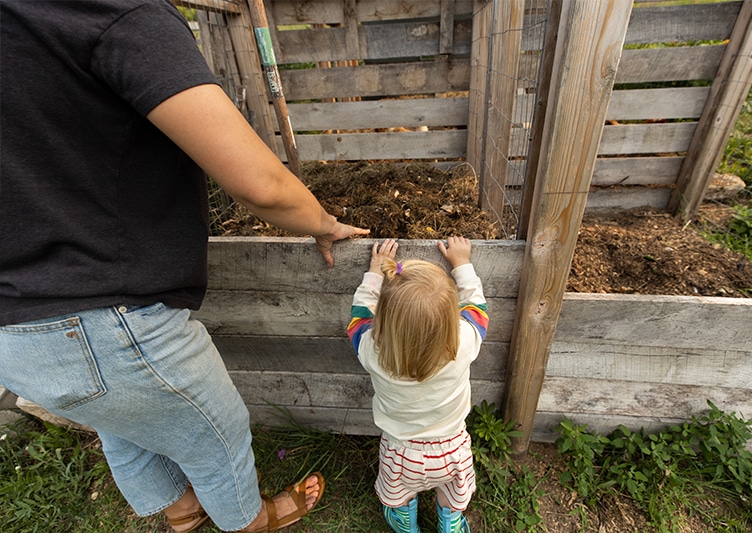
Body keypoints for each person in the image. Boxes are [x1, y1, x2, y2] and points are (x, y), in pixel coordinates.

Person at [0, 1, 369, 531]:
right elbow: (260, 184)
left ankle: (180, 513)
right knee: (218, 431)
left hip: (13, 329)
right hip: (109, 320)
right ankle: (250, 520)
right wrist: (322, 223)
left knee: (122, 424)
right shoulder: (120, 15)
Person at [347, 237, 489, 533]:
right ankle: (449, 523)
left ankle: (405, 522)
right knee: (452, 495)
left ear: (384, 320)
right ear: (451, 318)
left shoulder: (373, 350)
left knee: (399, 493)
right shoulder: (462, 342)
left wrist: (374, 273)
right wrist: (462, 264)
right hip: (452, 449)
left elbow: (358, 318)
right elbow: (477, 309)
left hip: (401, 452)